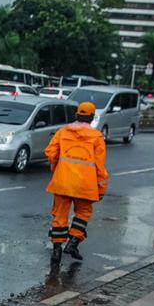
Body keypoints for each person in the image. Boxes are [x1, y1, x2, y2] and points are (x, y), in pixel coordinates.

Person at [45, 101, 108, 264]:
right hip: (85, 185)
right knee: (83, 213)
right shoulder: (97, 137)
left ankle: (56, 250)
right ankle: (73, 243)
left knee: (59, 215)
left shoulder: (63, 131)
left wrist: (57, 170)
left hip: (63, 181)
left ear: (76, 115)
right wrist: (101, 189)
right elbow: (100, 168)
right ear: (92, 117)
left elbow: (51, 153)